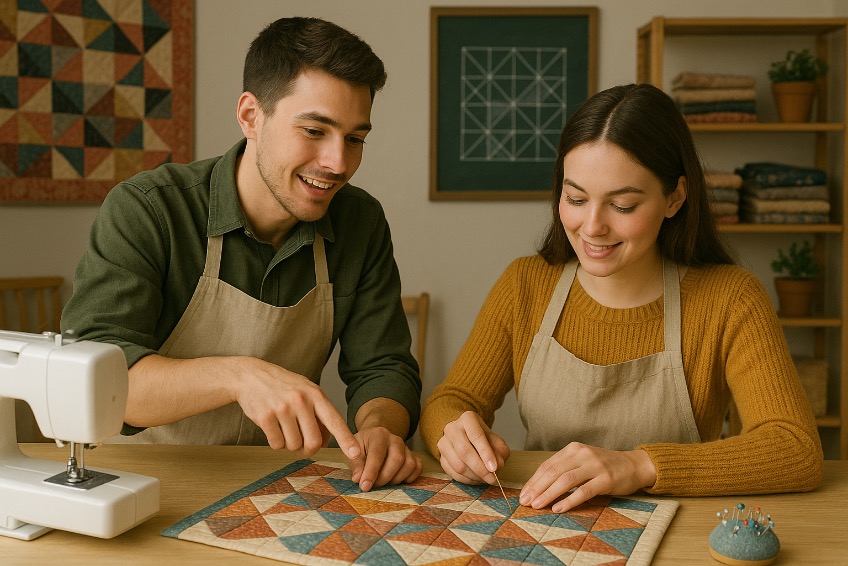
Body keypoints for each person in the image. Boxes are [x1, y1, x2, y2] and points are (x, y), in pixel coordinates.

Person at [420, 83, 823, 512]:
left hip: (678, 535)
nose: (592, 226)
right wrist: (455, 435)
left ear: (675, 198)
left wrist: (639, 465)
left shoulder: (730, 299)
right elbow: (452, 401)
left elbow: (794, 447)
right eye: (576, 198)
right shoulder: (525, 284)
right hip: (547, 527)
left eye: (623, 206)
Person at [61, 17, 423, 492]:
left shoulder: (361, 222)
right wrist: (239, 376)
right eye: (315, 130)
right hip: (134, 485)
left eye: (355, 139)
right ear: (251, 116)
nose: (339, 163)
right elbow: (100, 382)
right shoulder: (149, 209)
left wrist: (381, 428)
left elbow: (384, 367)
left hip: (273, 487)